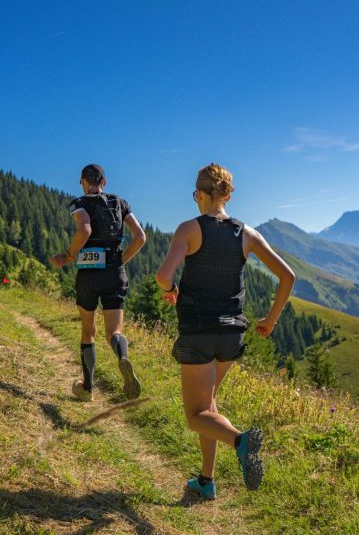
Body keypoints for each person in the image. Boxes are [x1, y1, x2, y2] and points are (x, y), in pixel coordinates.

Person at [156, 163, 295, 500]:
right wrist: (270, 320)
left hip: (198, 331)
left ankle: (240, 440)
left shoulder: (189, 229)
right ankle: (206, 481)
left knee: (195, 415)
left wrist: (171, 289)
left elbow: (162, 276)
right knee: (209, 403)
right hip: (232, 333)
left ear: (199, 195)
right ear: (228, 195)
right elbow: (288, 276)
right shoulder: (247, 234)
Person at [50, 164, 146, 402]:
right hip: (115, 271)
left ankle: (87, 388)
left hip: (89, 274)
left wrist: (69, 255)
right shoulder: (121, 204)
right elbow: (140, 237)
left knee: (88, 331)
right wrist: (119, 261)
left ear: (83, 182)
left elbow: (84, 230)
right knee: (114, 331)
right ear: (104, 181)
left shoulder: (80, 203)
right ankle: (122, 356)